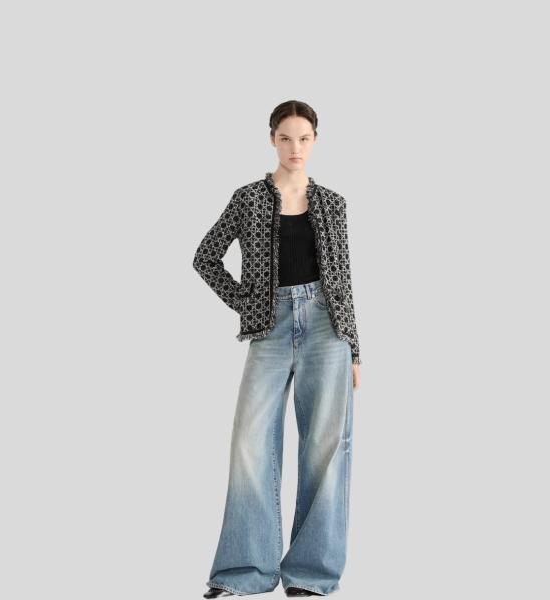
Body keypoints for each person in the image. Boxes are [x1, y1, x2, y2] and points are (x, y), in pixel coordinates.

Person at [193, 100, 361, 598]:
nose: (295, 148)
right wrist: (247, 303)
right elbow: (206, 257)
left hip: (327, 327)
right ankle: (244, 572)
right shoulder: (248, 198)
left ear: (315, 141)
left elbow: (344, 281)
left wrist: (355, 350)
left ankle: (311, 575)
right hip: (269, 329)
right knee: (250, 443)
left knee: (326, 448)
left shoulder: (332, 203)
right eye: (286, 138)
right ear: (272, 139)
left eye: (304, 138)